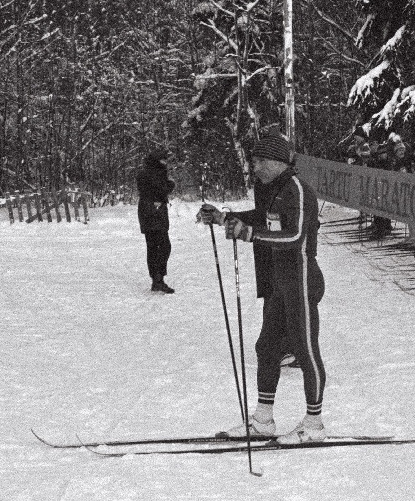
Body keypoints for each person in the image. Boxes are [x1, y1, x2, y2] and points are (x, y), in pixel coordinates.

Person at [200, 133, 327, 444]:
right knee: (266, 347)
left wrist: (248, 235)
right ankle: (263, 420)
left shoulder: (297, 189)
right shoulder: (271, 188)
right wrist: (224, 218)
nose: (253, 166)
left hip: (301, 277)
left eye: (258, 161)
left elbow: (295, 237)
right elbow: (261, 219)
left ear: (275, 161)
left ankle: (314, 426)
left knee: (305, 349)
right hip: (279, 281)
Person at [136, 148, 175, 294]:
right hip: (155, 211)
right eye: (164, 159)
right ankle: (158, 279)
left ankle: (156, 280)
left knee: (153, 247)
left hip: (146, 211)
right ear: (158, 160)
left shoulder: (145, 172)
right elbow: (162, 189)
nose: (166, 162)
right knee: (164, 246)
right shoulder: (156, 172)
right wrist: (170, 184)